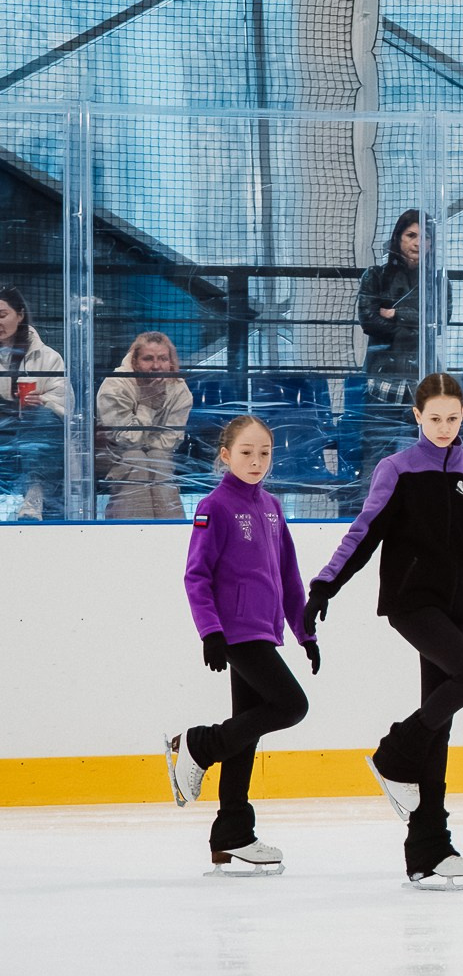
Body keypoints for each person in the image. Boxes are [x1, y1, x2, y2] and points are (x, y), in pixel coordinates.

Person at [304, 373, 463, 889]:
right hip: (411, 603)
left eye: (452, 418)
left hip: (454, 605)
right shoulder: (398, 468)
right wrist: (326, 584)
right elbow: (364, 531)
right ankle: (393, 755)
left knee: (442, 721)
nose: (443, 427)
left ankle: (428, 848)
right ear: (417, 416)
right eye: (433, 418)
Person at [163, 415, 318, 874]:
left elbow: (289, 577)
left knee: (246, 732)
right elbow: (197, 575)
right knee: (291, 706)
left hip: (264, 628)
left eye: (264, 453)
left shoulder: (271, 506)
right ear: (226, 455)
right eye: (246, 453)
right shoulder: (214, 506)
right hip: (236, 631)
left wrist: (304, 632)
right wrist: (210, 631)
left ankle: (232, 834)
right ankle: (198, 744)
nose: (256, 461)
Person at [356, 210, 427, 483]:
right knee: (375, 461)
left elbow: (439, 320)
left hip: (420, 385)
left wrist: (395, 313)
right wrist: (415, 320)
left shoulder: (436, 280)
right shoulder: (375, 275)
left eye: (425, 237)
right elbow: (369, 321)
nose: (418, 243)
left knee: (423, 465)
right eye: (412, 235)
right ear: (398, 238)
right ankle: (370, 520)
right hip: (382, 385)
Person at [96, 331, 193, 520]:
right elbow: (125, 439)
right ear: (135, 362)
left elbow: (169, 442)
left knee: (158, 460)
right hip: (110, 456)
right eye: (148, 359)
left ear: (171, 361)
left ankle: (171, 536)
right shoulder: (115, 386)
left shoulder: (180, 390)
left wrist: (146, 446)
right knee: (136, 459)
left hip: (156, 455)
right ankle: (134, 533)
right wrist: (148, 405)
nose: (156, 366)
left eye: (163, 359)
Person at [0, 286, 68, 520]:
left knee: (44, 418)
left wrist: (43, 400)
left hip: (32, 427)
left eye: (2, 315)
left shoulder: (48, 357)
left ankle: (35, 494)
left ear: (20, 315)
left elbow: (65, 401)